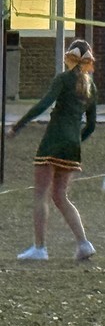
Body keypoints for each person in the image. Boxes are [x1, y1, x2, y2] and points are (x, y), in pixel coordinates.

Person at [7, 39, 98, 261]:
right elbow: (92, 125)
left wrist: (17, 126)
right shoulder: (91, 86)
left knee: (40, 194)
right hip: (72, 146)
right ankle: (84, 243)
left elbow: (43, 104)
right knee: (60, 196)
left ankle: (40, 248)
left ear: (69, 57)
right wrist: (76, 140)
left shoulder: (63, 79)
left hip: (54, 140)